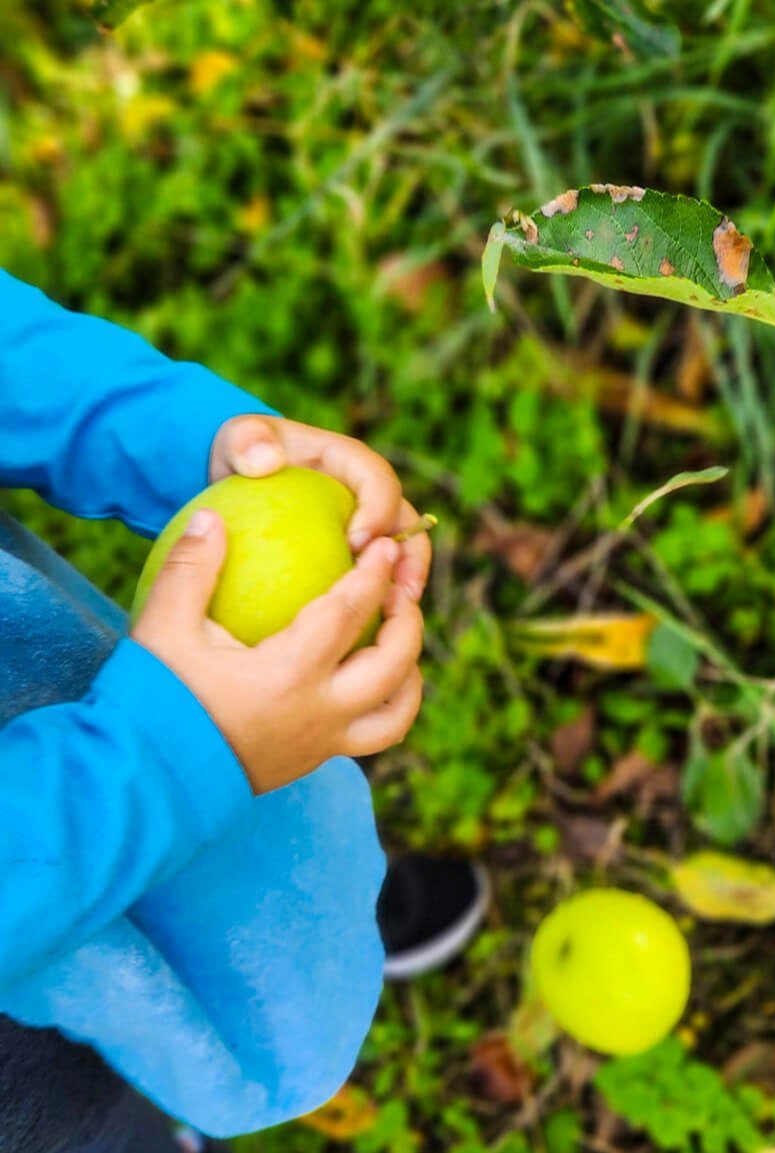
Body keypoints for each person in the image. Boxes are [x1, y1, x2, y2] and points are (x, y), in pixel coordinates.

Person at [0, 270, 488, 1153]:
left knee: (242, 872)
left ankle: (276, 919)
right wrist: (162, 759)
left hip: (78, 724)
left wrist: (179, 439)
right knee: (98, 1102)